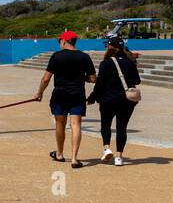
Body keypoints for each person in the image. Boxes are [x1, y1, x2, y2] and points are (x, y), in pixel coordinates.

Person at [33, 30, 96, 168]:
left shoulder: (56, 56)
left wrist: (39, 93)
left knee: (60, 124)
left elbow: (46, 78)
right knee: (76, 125)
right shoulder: (84, 57)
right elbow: (92, 79)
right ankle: (74, 159)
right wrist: (81, 77)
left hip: (60, 94)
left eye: (60, 41)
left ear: (64, 41)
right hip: (77, 94)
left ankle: (60, 154)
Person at [89, 37, 141, 166]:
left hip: (107, 100)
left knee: (105, 125)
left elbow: (99, 84)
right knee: (121, 127)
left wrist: (92, 97)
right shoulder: (130, 63)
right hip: (126, 100)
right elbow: (137, 81)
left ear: (111, 47)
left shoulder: (105, 63)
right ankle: (119, 157)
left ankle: (107, 148)